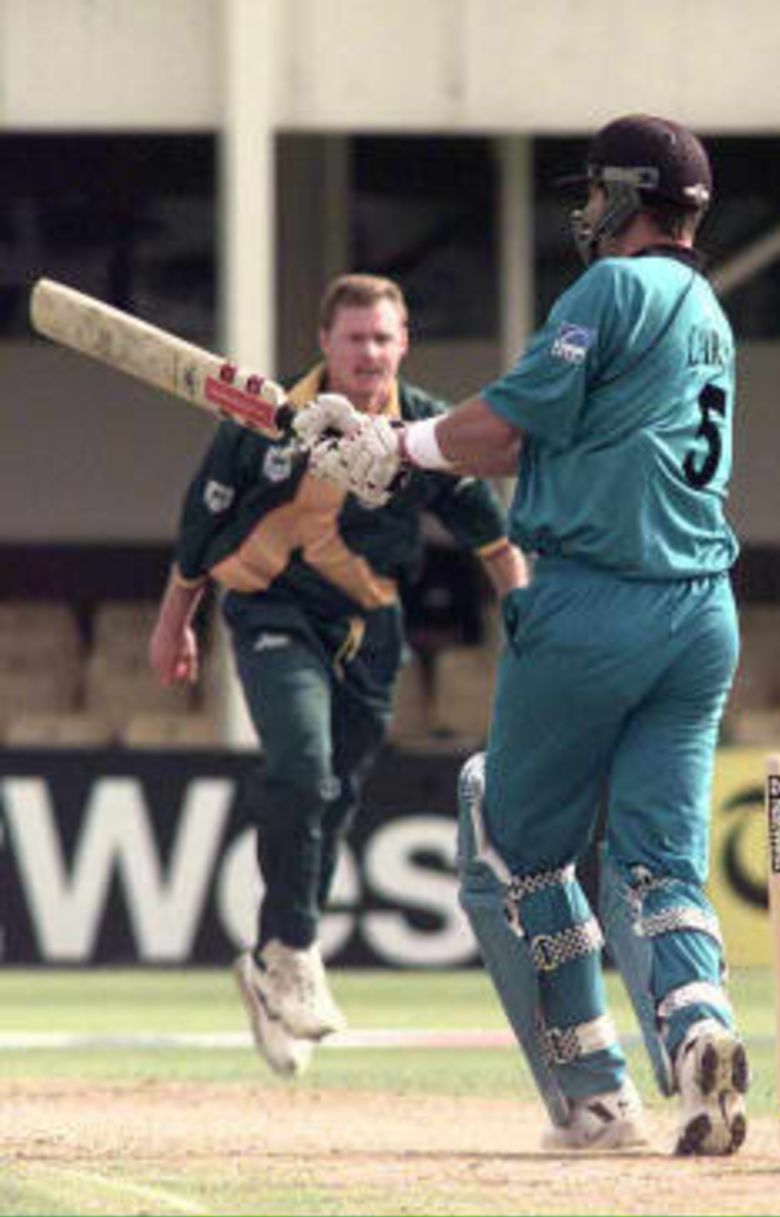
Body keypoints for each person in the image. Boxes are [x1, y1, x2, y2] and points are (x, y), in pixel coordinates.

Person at [303, 116, 748, 1157]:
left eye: (597, 190)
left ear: (634, 194)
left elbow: (508, 425)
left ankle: (594, 1097)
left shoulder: (612, 290)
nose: (586, 209)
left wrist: (395, 444)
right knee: (655, 864)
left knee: (507, 846)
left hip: (597, 603)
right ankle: (695, 1031)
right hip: (703, 615)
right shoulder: (706, 311)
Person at [148, 274, 527, 1078]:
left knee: (338, 795)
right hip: (270, 610)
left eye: (383, 338)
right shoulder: (264, 415)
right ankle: (294, 947)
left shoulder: (425, 425)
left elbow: (492, 541)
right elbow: (199, 523)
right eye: (354, 338)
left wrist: (530, 626)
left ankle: (269, 961)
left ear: (404, 343)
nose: (369, 352)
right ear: (325, 342)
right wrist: (173, 621)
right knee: (302, 767)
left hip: (372, 626)